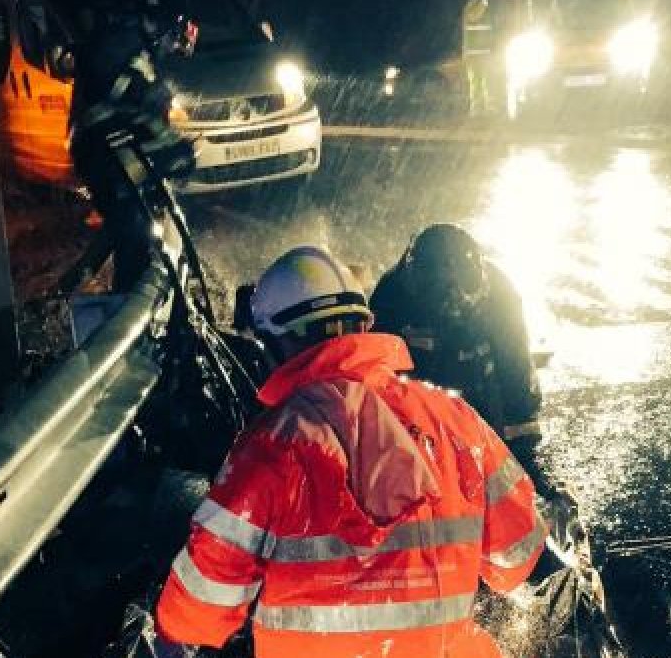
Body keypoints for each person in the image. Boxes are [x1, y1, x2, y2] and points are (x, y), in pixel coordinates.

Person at [153, 246, 547, 657]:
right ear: (365, 325)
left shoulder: (273, 444)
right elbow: (517, 554)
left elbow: (197, 614)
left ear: (278, 342)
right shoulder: (455, 418)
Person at [370, 224, 572, 516]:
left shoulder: (501, 295)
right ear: (418, 286)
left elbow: (515, 370)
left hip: (477, 382)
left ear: (479, 278)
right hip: (418, 395)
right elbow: (377, 379)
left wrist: (525, 457)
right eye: (440, 292)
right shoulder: (390, 297)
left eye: (464, 289)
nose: (454, 300)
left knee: (493, 463)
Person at [68, 0, 199, 292]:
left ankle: (72, 287)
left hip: (112, 148)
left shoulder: (139, 49)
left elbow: (145, 116)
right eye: (175, 36)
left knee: (128, 222)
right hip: (100, 152)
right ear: (163, 24)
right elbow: (133, 111)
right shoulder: (122, 49)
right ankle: (124, 303)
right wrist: (171, 149)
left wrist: (171, 147)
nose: (174, 46)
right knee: (134, 228)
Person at [462, 0, 499, 116]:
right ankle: (477, 108)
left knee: (487, 80)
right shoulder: (474, 5)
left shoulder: (482, 5)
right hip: (475, 53)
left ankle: (487, 107)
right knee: (477, 82)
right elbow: (473, 17)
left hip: (483, 52)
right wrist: (484, 3)